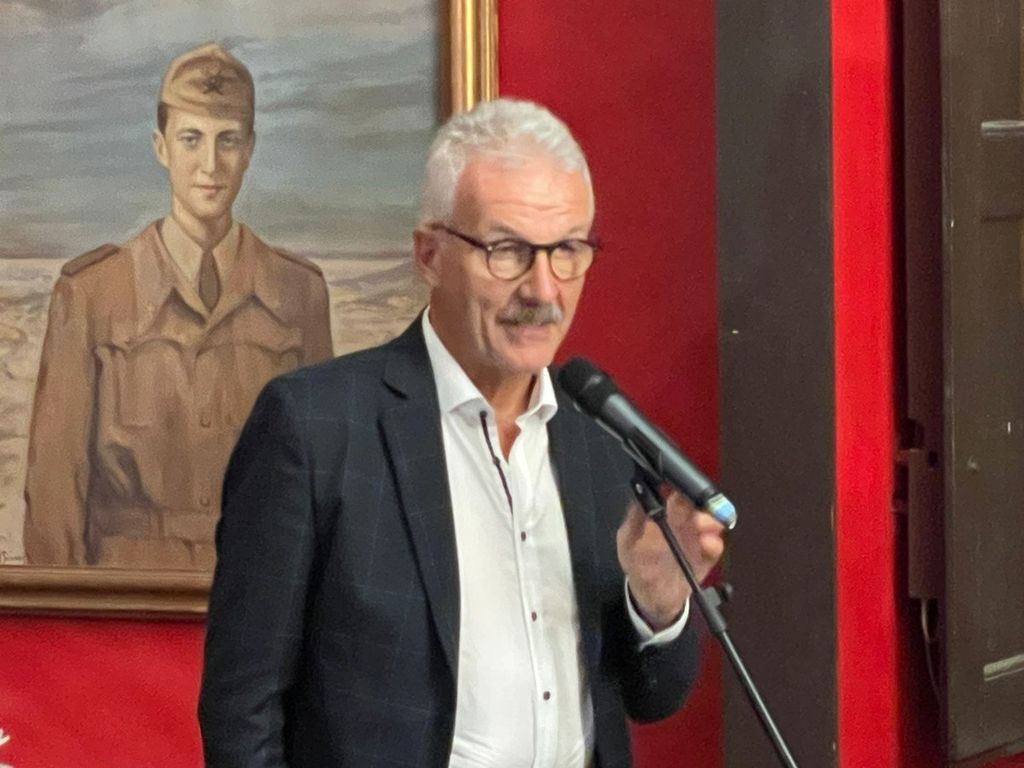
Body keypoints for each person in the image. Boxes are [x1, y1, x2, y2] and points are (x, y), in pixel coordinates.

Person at [199, 98, 725, 767]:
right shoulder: (315, 429)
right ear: (429, 254)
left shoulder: (598, 437)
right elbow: (241, 713)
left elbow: (652, 696)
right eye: (508, 251)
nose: (544, 290)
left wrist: (658, 601)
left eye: (567, 250)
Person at [22, 43, 333, 570]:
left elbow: (321, 484)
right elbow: (54, 501)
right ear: (161, 147)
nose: (210, 165)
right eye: (192, 139)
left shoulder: (298, 293)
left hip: (260, 587)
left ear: (250, 148)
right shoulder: (92, 293)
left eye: (227, 140)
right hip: (126, 594)